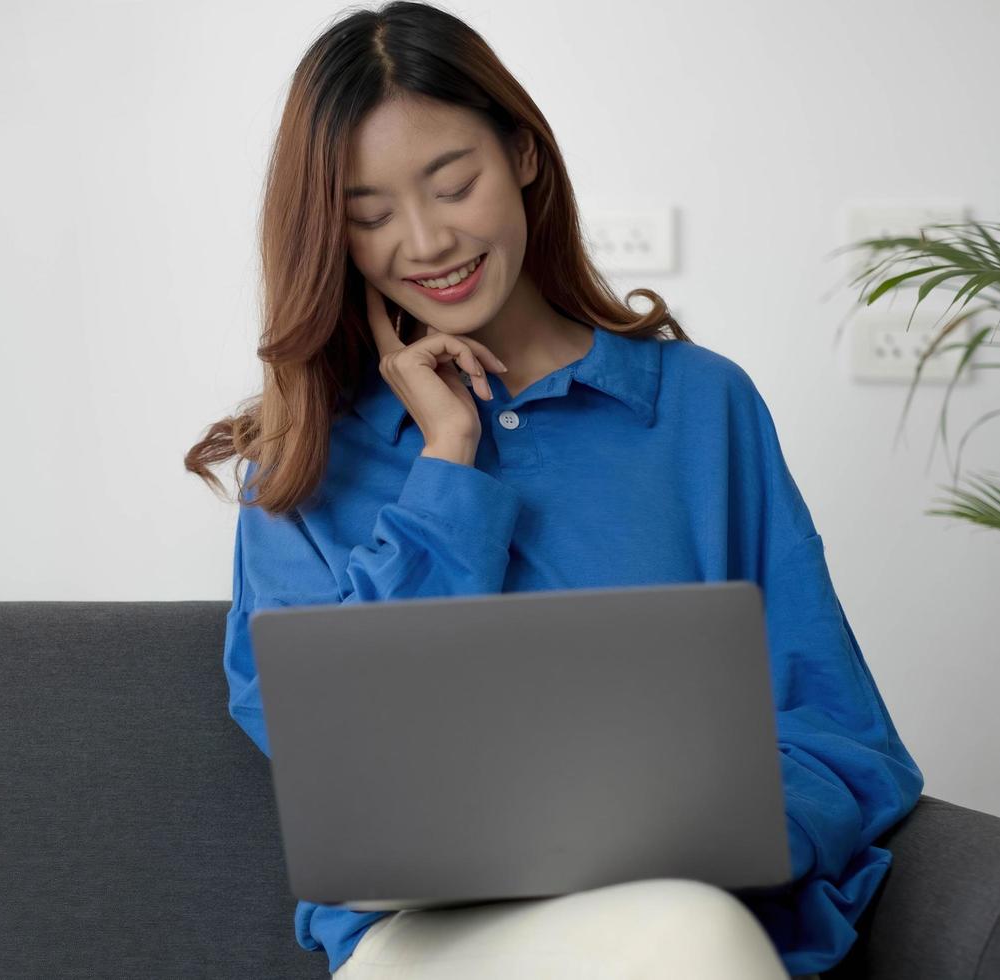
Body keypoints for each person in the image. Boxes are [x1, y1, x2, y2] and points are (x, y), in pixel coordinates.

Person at [183, 3, 925, 977]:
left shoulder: (704, 410)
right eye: (369, 217)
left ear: (525, 154)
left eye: (454, 184)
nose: (425, 240)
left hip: (696, 914)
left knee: (685, 932)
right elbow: (337, 760)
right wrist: (444, 462)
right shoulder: (300, 464)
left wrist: (732, 836)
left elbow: (843, 734)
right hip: (429, 942)